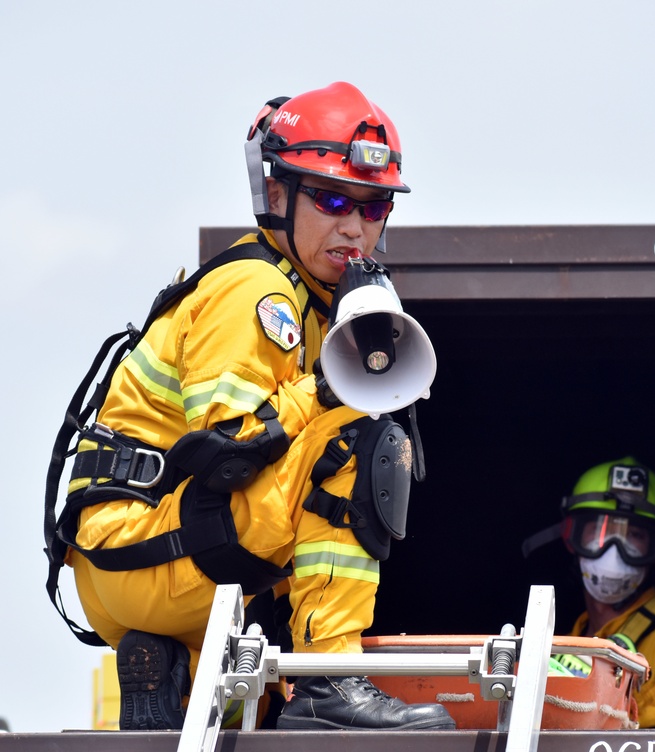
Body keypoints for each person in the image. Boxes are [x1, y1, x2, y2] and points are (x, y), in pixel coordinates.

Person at [45, 82, 455, 732]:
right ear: (277, 195)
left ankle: (171, 666)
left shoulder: (317, 303)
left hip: (141, 562)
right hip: (138, 546)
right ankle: (328, 681)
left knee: (253, 718)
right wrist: (327, 387)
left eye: (374, 207)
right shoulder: (257, 288)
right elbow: (229, 451)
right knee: (353, 438)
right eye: (332, 198)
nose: (355, 226)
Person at [544, 457, 655, 731]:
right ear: (572, 537)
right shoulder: (569, 637)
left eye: (634, 536)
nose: (613, 551)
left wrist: (629, 678)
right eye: (598, 531)